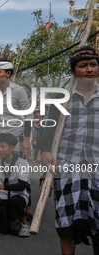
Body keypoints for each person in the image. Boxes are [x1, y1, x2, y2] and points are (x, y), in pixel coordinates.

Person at [41, 46, 99, 255]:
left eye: (93, 65)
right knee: (66, 224)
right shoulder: (61, 99)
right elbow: (49, 128)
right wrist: (45, 151)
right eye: (83, 66)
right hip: (66, 168)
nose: (89, 69)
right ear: (74, 72)